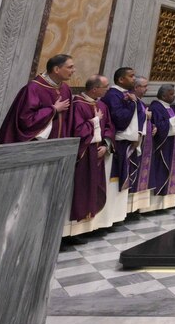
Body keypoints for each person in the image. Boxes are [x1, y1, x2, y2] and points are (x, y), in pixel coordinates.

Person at [65, 75, 111, 236]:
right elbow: (77, 130)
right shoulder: (78, 104)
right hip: (85, 153)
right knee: (82, 189)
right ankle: (73, 232)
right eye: (105, 86)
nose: (108, 89)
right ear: (94, 88)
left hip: (98, 152)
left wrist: (106, 145)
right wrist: (95, 121)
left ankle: (89, 227)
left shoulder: (102, 105)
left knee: (95, 188)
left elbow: (109, 128)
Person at [0, 53, 73, 143]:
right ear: (56, 69)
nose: (73, 70)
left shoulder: (65, 89)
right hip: (35, 145)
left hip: (58, 145)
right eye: (70, 67)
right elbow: (25, 120)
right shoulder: (33, 88)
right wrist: (53, 109)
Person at [100, 66, 140, 227]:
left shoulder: (125, 95)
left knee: (119, 180)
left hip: (125, 143)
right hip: (115, 144)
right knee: (111, 180)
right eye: (131, 76)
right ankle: (105, 219)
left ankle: (116, 216)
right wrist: (131, 105)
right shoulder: (113, 95)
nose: (134, 79)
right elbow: (120, 119)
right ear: (121, 79)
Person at [143, 84, 175, 212]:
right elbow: (159, 127)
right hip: (162, 147)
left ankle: (165, 203)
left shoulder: (169, 107)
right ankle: (153, 205)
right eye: (171, 94)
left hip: (172, 145)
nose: (174, 95)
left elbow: (173, 126)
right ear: (164, 95)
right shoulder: (156, 107)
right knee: (160, 171)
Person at [126, 76, 153, 214]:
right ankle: (127, 207)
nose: (146, 88)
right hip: (133, 142)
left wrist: (151, 125)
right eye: (144, 86)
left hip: (142, 142)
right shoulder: (131, 100)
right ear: (136, 88)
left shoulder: (139, 102)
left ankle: (134, 207)